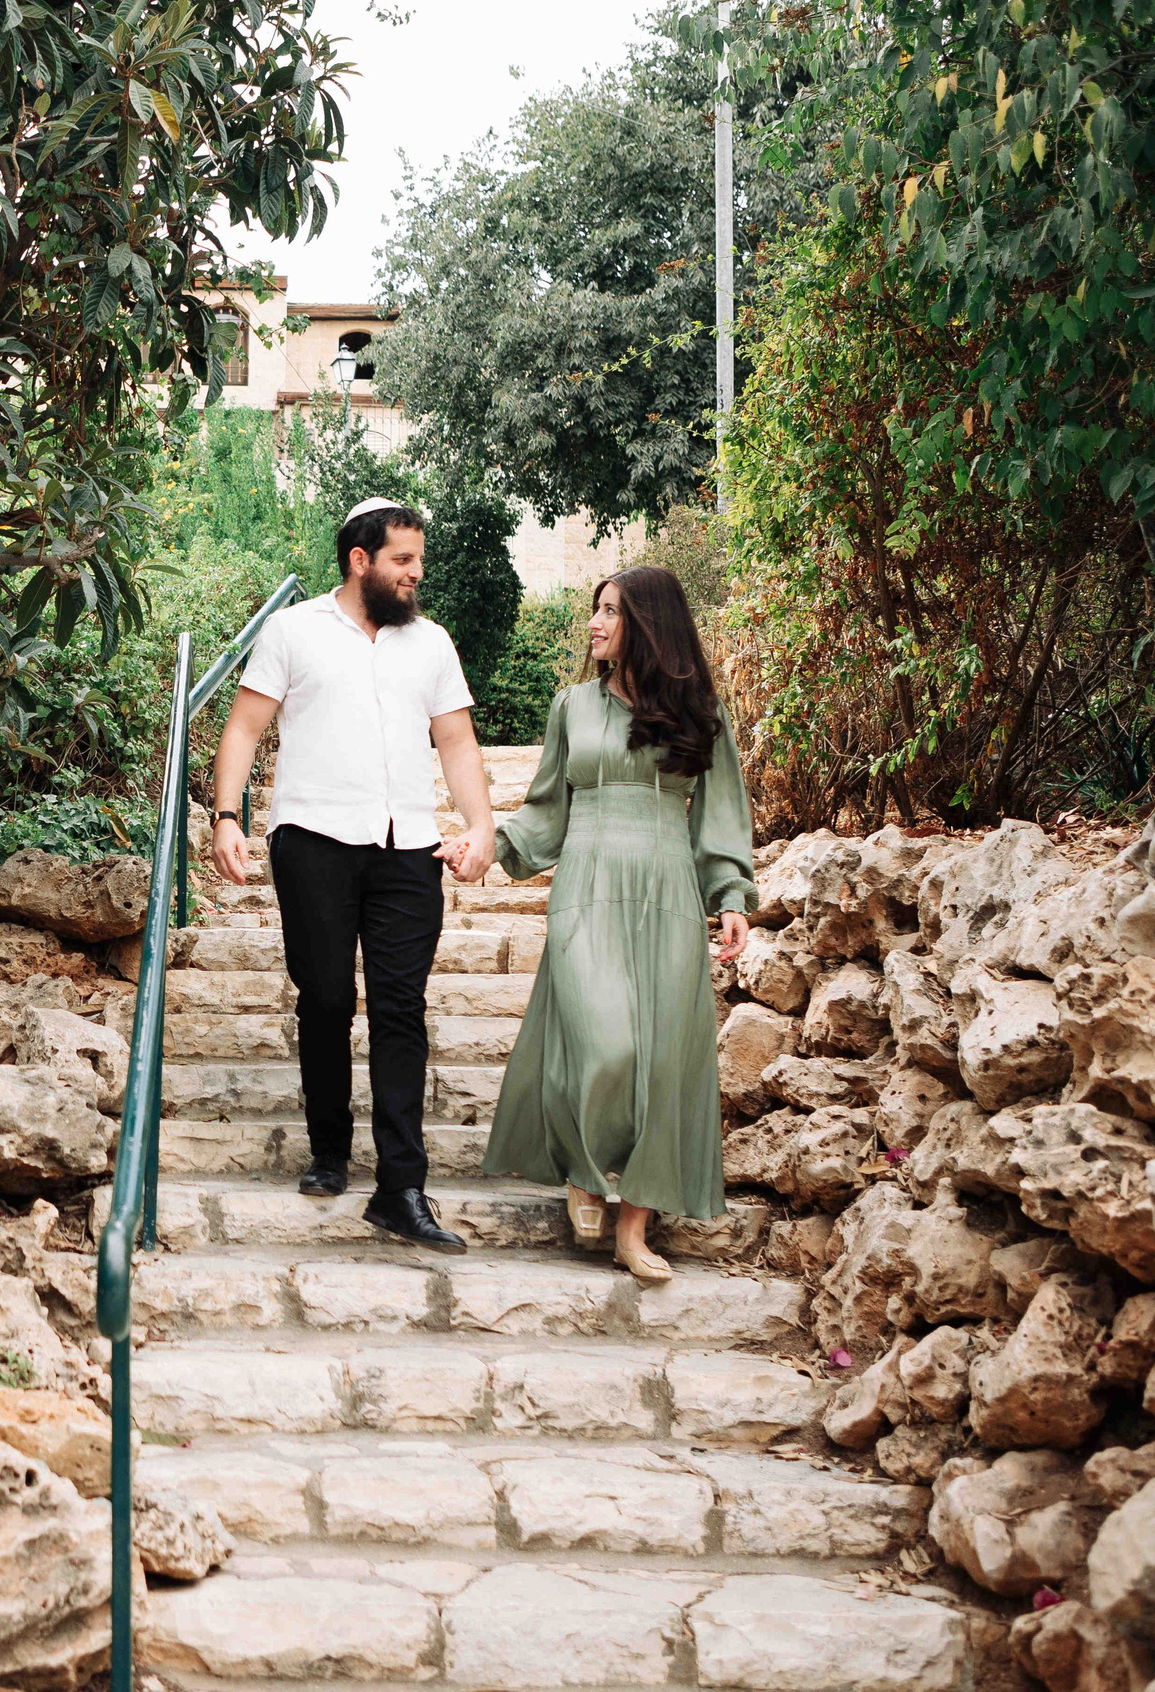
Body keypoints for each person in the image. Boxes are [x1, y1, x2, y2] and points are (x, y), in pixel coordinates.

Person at [210, 498, 496, 1253]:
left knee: (401, 1007)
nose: (416, 575)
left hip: (409, 849)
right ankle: (330, 1148)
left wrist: (481, 825)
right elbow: (244, 726)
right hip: (313, 839)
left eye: (419, 562)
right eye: (403, 561)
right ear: (360, 559)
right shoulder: (293, 629)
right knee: (327, 996)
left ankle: (402, 1183)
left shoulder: (431, 643)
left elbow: (457, 742)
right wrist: (227, 816)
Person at [480, 565, 755, 1282]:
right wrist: (493, 846)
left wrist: (729, 893)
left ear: (649, 625)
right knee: (602, 1038)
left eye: (611, 611)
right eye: (595, 610)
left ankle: (634, 1227)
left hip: (666, 887)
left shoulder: (700, 715)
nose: (595, 623)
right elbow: (545, 809)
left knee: (663, 1058)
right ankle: (581, 1167)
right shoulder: (572, 705)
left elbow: (720, 813)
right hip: (587, 884)